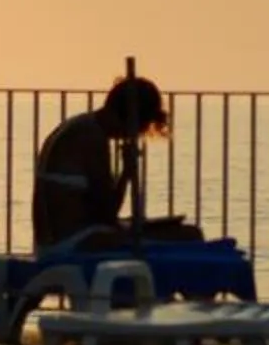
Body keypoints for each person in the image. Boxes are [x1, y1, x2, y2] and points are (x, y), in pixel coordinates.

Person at [32, 74, 202, 249]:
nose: (134, 136)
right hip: (71, 243)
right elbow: (107, 214)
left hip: (56, 239)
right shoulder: (92, 138)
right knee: (190, 235)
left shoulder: (79, 125)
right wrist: (127, 171)